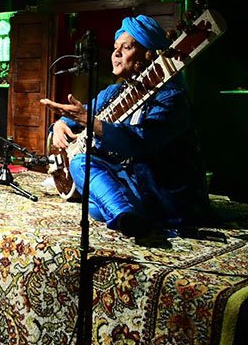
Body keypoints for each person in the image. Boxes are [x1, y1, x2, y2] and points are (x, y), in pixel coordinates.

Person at [40, 15, 209, 237]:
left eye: (126, 48)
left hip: (159, 191)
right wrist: (60, 124)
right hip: (130, 179)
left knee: (89, 188)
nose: (116, 54)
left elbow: (142, 142)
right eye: (115, 47)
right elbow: (81, 112)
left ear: (148, 55)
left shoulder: (171, 98)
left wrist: (91, 123)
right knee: (82, 169)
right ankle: (126, 215)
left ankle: (124, 214)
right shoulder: (115, 92)